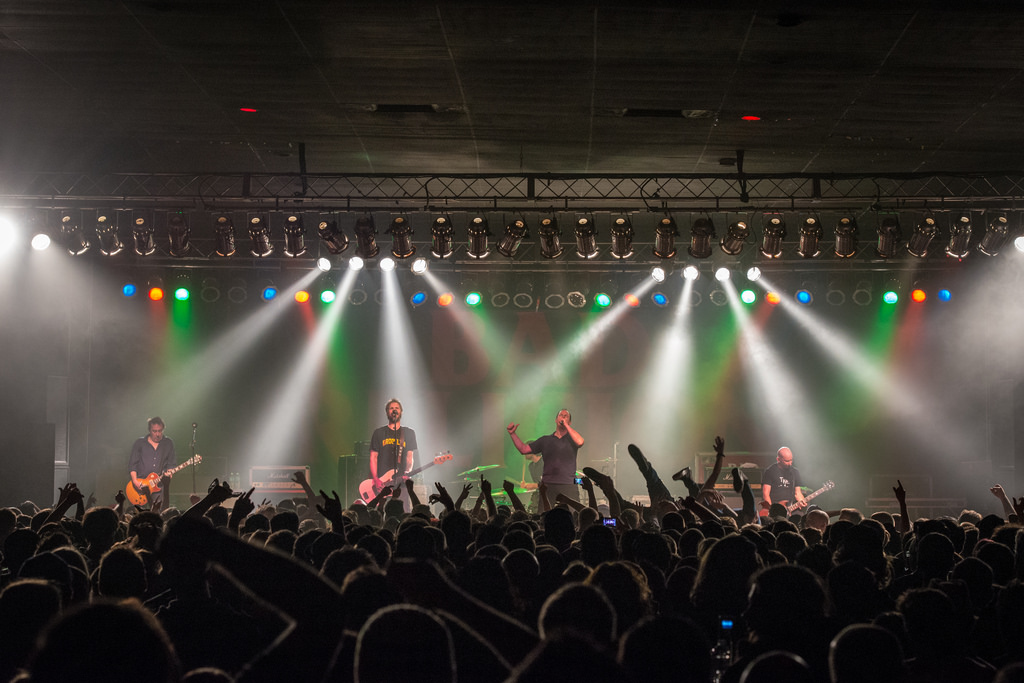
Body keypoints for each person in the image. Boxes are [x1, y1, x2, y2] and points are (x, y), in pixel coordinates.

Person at [507, 409, 584, 503]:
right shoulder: (545, 440)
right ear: (556, 420)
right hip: (548, 486)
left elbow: (580, 442)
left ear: (570, 422)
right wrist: (512, 434)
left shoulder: (572, 439)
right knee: (545, 511)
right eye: (561, 415)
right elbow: (523, 449)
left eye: (566, 416)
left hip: (568, 484)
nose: (563, 417)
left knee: (573, 511)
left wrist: (566, 425)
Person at [369, 398, 418, 507]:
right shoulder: (379, 433)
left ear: (401, 411)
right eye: (391, 408)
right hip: (382, 482)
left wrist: (407, 472)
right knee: (380, 509)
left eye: (397, 408)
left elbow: (410, 457)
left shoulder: (409, 433)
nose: (394, 410)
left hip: (401, 481)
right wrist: (376, 479)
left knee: (402, 509)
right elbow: (373, 457)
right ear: (387, 412)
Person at [128, 416, 177, 509]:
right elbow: (132, 465)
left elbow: (171, 464)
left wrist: (168, 475)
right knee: (137, 513)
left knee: (158, 512)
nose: (157, 434)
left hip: (158, 486)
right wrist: (135, 481)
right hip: (140, 485)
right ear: (149, 430)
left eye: (160, 431)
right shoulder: (139, 443)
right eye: (154, 431)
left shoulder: (168, 443)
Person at [761, 446, 806, 514]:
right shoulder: (770, 471)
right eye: (787, 461)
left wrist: (802, 501)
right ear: (778, 459)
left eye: (791, 460)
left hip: (790, 508)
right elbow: (766, 494)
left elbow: (798, 493)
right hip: (775, 507)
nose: (790, 463)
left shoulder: (795, 472)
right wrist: (771, 510)